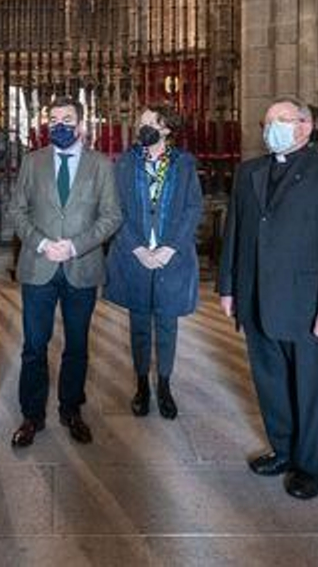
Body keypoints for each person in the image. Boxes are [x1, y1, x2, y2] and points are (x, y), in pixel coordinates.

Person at [219, 97, 318, 500]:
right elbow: (235, 233)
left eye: (280, 121)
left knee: (312, 387)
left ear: (304, 126)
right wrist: (229, 287)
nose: (270, 130)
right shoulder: (250, 172)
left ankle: (312, 465)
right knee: (270, 382)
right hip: (256, 298)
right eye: (266, 123)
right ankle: (283, 450)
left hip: (306, 303)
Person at [5, 95, 122, 448]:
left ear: (82, 125)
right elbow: (17, 210)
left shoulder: (101, 165)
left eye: (67, 119)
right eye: (54, 119)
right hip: (39, 266)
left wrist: (73, 246)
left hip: (81, 266)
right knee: (34, 346)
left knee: (77, 346)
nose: (59, 125)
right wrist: (42, 244)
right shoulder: (33, 161)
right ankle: (32, 416)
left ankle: (71, 409)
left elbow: (111, 216)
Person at [105, 105, 204, 420]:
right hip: (134, 257)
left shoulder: (184, 163)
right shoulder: (125, 162)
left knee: (167, 324)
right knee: (138, 326)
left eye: (151, 123)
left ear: (166, 129)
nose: (143, 127)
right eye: (141, 122)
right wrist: (137, 249)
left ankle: (164, 384)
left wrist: (169, 249)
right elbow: (115, 208)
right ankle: (141, 385)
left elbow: (192, 208)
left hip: (170, 259)